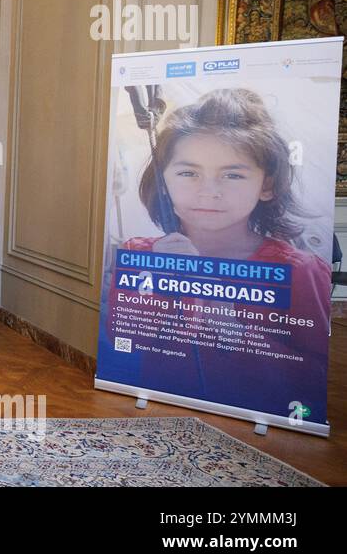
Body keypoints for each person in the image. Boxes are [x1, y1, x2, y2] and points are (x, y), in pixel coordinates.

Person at [119, 88, 329, 410]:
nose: (209, 192)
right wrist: (157, 283)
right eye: (189, 173)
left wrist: (221, 315)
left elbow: (312, 379)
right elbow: (124, 341)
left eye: (232, 175)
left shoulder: (299, 272)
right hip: (158, 412)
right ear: (164, 183)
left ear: (267, 185)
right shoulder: (141, 255)